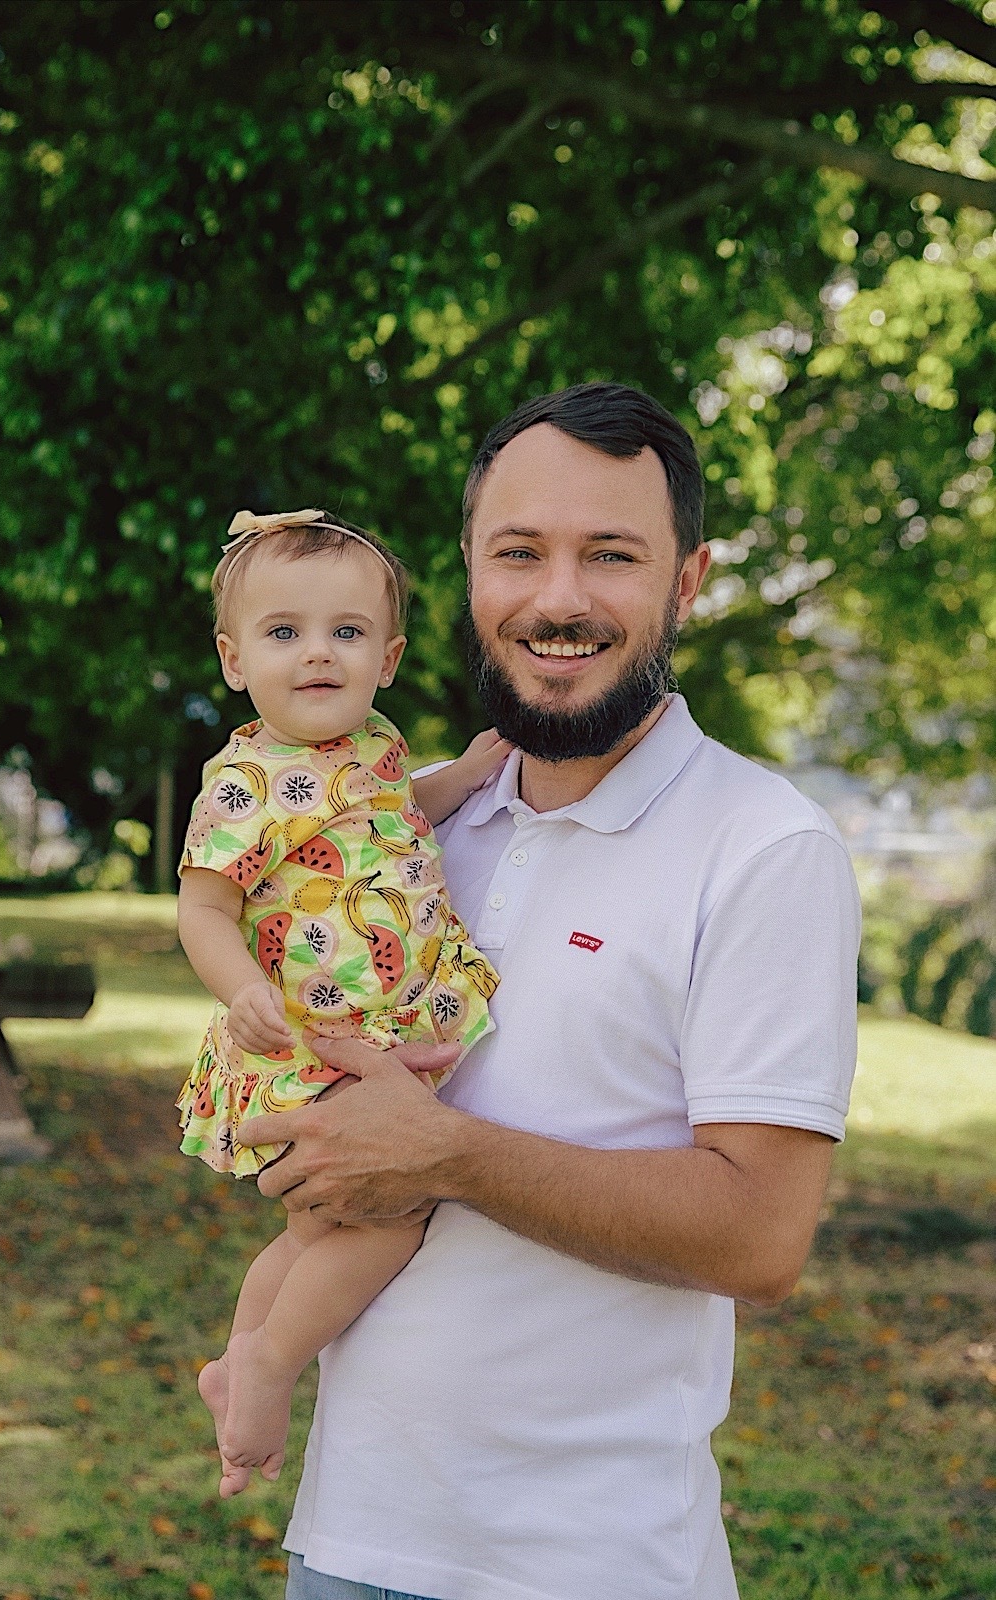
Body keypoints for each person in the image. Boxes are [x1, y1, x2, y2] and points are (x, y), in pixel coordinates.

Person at [238, 383, 862, 1600]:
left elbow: (760, 1235)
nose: (557, 598)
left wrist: (445, 1154)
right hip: (348, 1539)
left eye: (611, 555)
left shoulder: (763, 846)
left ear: (685, 583)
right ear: (468, 571)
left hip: (587, 1566)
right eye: (517, 552)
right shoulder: (416, 826)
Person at [175, 507, 505, 1497]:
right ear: (235, 659)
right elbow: (201, 908)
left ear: (388, 655)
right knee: (386, 1216)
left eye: (346, 633)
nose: (317, 654)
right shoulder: (242, 783)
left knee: (316, 1231)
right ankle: (275, 1367)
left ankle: (237, 1360)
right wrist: (240, 993)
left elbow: (403, 813)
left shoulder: (374, 744)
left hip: (383, 1023)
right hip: (307, 1044)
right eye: (284, 633)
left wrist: (470, 775)